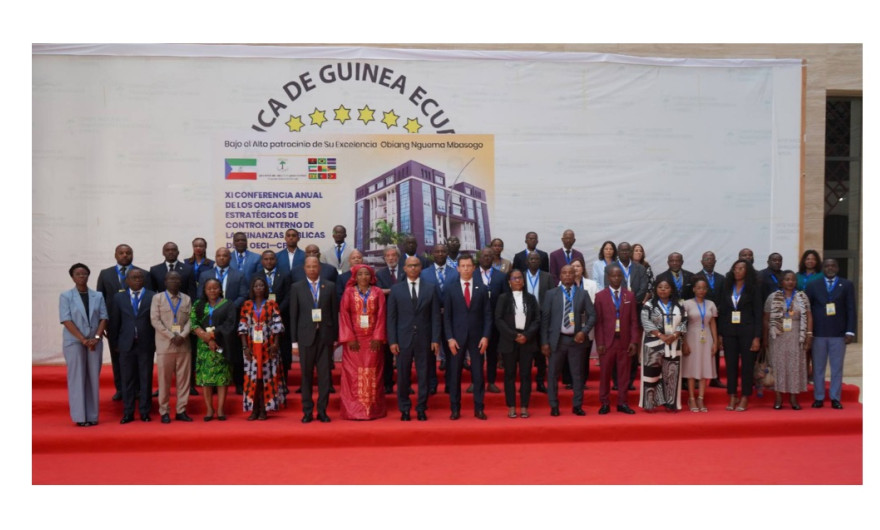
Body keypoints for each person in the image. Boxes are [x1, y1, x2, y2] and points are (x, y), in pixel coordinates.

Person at [387, 256, 441, 421]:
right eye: (410, 266)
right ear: (404, 268)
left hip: (425, 339)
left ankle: (421, 408)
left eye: (416, 265)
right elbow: (391, 318)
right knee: (403, 376)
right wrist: (393, 341)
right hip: (403, 340)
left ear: (420, 268)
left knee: (424, 375)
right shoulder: (396, 289)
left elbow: (435, 316)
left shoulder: (430, 288)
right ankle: (404, 409)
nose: (413, 268)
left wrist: (435, 339)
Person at [541, 265, 594, 417]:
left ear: (575, 275)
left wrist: (584, 332)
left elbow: (592, 315)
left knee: (577, 375)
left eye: (571, 273)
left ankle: (577, 405)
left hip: (576, 341)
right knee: (553, 374)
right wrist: (544, 342)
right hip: (557, 341)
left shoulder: (583, 294)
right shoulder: (551, 294)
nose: (568, 275)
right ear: (560, 276)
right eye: (564, 273)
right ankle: (554, 405)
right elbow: (545, 320)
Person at [290, 256, 339, 423]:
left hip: (325, 338)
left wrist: (335, 338)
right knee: (306, 376)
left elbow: (334, 313)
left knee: (325, 376)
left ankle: (322, 410)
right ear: (304, 268)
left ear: (320, 268)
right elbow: (293, 316)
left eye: (315, 266)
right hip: (305, 338)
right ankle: (307, 411)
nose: (312, 269)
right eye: (309, 266)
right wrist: (294, 342)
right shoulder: (297, 287)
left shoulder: (329, 286)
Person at [443, 255, 492, 420]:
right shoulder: (450, 289)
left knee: (478, 374)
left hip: (477, 338)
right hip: (456, 339)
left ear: (473, 268)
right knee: (455, 374)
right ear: (458, 268)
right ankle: (455, 409)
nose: (465, 269)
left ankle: (479, 408)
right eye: (462, 266)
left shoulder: (482, 288)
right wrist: (449, 338)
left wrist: (486, 336)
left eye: (468, 266)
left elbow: (488, 315)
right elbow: (446, 317)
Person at [59, 263, 107, 426]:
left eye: (84, 274)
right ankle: (80, 417)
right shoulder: (66, 296)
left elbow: (104, 318)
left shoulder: (98, 296)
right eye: (78, 274)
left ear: (88, 275)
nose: (81, 276)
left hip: (94, 342)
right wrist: (83, 339)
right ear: (72, 277)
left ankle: (92, 416)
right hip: (74, 341)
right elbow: (66, 319)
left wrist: (96, 337)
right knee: (77, 378)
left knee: (93, 377)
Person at [338, 264, 388, 420]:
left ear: (371, 276)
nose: (363, 277)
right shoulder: (348, 292)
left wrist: (378, 337)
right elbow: (344, 315)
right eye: (360, 274)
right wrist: (349, 338)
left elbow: (382, 315)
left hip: (373, 340)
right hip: (354, 340)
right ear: (355, 277)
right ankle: (354, 410)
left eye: (366, 274)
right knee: (353, 374)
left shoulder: (378, 292)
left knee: (373, 373)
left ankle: (372, 409)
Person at [806, 259, 856, 409]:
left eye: (833, 265)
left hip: (838, 333)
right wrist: (808, 332)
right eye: (827, 266)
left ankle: (835, 398)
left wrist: (850, 331)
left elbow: (851, 309)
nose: (830, 268)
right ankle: (819, 397)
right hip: (818, 333)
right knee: (818, 368)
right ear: (822, 268)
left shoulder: (846, 284)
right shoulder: (813, 285)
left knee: (837, 368)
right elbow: (807, 310)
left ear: (837, 268)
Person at [198, 247, 248, 395]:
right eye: (219, 255)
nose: (221, 258)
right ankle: (213, 383)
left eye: (225, 255)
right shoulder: (205, 275)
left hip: (231, 319)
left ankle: (239, 383)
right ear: (215, 257)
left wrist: (228, 307)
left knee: (234, 351)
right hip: (210, 318)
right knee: (213, 351)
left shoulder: (239, 274)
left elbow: (243, 295)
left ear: (230, 258)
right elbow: (200, 296)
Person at [96, 243, 142, 401]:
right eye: (121, 253)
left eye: (128, 252)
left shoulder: (142, 273)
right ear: (115, 255)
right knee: (117, 358)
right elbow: (100, 299)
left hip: (136, 323)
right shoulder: (105, 274)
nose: (125, 255)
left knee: (137, 358)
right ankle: (121, 389)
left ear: (132, 255)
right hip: (114, 323)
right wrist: (102, 324)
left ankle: (138, 389)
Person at [110, 268, 156, 423]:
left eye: (140, 277)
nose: (137, 280)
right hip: (126, 344)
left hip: (146, 344)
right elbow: (114, 322)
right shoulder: (118, 297)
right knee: (127, 379)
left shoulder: (152, 296)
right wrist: (115, 343)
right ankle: (128, 412)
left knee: (145, 379)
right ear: (127, 280)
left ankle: (144, 411)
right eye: (134, 277)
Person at [717, 259, 763, 412]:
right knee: (730, 365)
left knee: (747, 366)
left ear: (747, 271)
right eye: (735, 268)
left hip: (748, 332)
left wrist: (757, 337)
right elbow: (723, 312)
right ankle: (732, 395)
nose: (737, 271)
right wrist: (721, 334)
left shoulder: (753, 288)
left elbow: (758, 314)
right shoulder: (727, 286)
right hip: (729, 332)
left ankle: (745, 396)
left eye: (741, 268)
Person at [594, 264, 640, 414]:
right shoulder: (600, 296)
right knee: (605, 374)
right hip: (607, 342)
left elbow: (634, 321)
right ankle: (605, 403)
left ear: (622, 277)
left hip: (624, 341)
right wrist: (600, 343)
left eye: (619, 275)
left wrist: (634, 341)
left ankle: (622, 403)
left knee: (624, 374)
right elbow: (598, 323)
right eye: (613, 276)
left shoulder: (629, 296)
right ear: (608, 277)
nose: (616, 278)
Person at [149, 271, 194, 423]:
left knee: (184, 380)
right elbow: (155, 320)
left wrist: (183, 335)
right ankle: (164, 411)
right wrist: (171, 336)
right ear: (165, 281)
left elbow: (191, 320)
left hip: (183, 345)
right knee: (164, 380)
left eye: (177, 279)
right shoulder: (158, 298)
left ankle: (181, 410)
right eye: (171, 279)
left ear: (181, 282)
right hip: (165, 345)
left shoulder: (187, 299)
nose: (174, 281)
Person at [763, 271, 812, 410]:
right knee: (778, 365)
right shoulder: (773, 297)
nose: (790, 282)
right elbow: (766, 318)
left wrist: (809, 335)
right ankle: (778, 397)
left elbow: (809, 316)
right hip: (777, 336)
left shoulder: (802, 297)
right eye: (787, 279)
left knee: (794, 366)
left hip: (796, 336)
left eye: (793, 279)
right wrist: (765, 338)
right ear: (782, 282)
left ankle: (793, 398)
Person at [238, 276, 286, 421]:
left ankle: (264, 409)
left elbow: (278, 325)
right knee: (253, 379)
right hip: (252, 347)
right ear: (252, 289)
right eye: (256, 286)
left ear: (265, 288)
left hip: (268, 346)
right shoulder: (247, 305)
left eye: (261, 286)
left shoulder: (272, 304)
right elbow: (242, 327)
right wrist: (245, 347)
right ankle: (254, 409)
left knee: (265, 378)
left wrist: (275, 345)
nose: (259, 288)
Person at [495, 269, 541, 418]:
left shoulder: (531, 298)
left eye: (520, 277)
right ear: (509, 282)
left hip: (527, 340)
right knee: (509, 375)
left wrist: (526, 335)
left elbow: (537, 320)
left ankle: (524, 406)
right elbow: (498, 319)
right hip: (509, 340)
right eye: (514, 278)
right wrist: (514, 335)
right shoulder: (503, 298)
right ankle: (511, 406)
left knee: (526, 375)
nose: (517, 280)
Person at [190, 278, 236, 421]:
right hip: (204, 347)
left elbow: (230, 323)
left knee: (222, 379)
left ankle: (221, 409)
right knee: (206, 379)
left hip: (222, 344)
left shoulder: (228, 304)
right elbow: (193, 322)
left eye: (215, 288)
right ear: (204, 290)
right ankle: (209, 409)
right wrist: (206, 337)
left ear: (220, 289)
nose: (212, 291)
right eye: (209, 288)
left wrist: (213, 336)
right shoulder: (198, 304)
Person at [639, 279, 686, 412]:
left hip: (673, 344)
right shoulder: (649, 304)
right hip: (653, 345)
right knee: (651, 375)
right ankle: (649, 403)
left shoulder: (679, 304)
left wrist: (675, 335)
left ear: (671, 289)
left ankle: (671, 404)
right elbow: (645, 321)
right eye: (660, 287)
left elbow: (684, 321)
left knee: (672, 375)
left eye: (666, 287)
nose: (663, 289)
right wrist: (661, 336)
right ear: (656, 289)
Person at [420, 243, 459, 390]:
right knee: (430, 353)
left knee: (451, 353)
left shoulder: (455, 273)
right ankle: (432, 384)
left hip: (451, 318)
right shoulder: (424, 273)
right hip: (430, 319)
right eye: (437, 251)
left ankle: (450, 384)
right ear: (433, 254)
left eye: (443, 251)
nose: (440, 254)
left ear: (447, 253)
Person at [255, 250, 292, 391]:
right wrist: (265, 312)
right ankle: (266, 384)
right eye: (266, 259)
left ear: (276, 260)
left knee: (283, 351)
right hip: (261, 320)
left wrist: (276, 310)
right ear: (262, 261)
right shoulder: (256, 275)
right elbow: (253, 295)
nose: (269, 261)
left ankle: (284, 383)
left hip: (281, 317)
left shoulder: (285, 274)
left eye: (271, 259)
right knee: (265, 351)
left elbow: (288, 295)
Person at [681, 278, 718, 412]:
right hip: (691, 336)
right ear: (694, 289)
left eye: (704, 288)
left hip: (706, 338)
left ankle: (701, 398)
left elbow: (712, 323)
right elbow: (682, 324)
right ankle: (691, 398)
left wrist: (716, 342)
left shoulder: (711, 304)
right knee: (691, 368)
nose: (701, 290)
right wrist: (684, 342)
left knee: (704, 367)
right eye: (698, 288)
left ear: (706, 290)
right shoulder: (686, 304)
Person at [476, 246, 508, 394]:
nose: (487, 258)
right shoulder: (472, 275)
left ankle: (491, 381)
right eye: (484, 255)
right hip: (476, 321)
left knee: (492, 353)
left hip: (494, 322)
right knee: (476, 354)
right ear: (479, 258)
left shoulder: (500, 276)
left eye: (490, 256)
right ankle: (476, 382)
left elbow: (505, 299)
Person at [693, 251, 725, 388]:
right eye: (706, 259)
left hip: (717, 317)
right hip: (699, 318)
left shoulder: (721, 278)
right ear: (702, 262)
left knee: (714, 347)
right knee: (697, 348)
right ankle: (696, 377)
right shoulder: (695, 277)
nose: (709, 261)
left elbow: (725, 297)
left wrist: (716, 310)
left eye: (712, 259)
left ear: (715, 262)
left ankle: (715, 378)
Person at [376, 246, 405, 394]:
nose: (391, 258)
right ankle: (388, 383)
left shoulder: (405, 271)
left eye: (393, 255)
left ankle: (404, 384)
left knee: (404, 353)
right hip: (387, 317)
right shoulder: (380, 274)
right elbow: (378, 292)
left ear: (398, 257)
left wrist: (389, 291)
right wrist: (397, 290)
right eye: (388, 255)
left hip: (405, 315)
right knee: (387, 354)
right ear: (385, 258)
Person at [524, 251, 553, 393]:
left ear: (540, 262)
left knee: (542, 354)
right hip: (525, 320)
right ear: (527, 261)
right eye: (531, 259)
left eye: (536, 259)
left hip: (543, 319)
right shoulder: (520, 276)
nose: (534, 261)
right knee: (526, 354)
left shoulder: (547, 277)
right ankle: (525, 383)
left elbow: (552, 297)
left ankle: (540, 382)